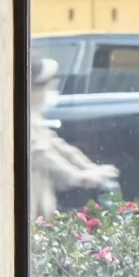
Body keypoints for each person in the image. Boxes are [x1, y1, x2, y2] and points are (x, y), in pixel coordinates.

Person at [28, 58, 120, 217]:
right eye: (51, 85)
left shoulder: (34, 116)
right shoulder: (25, 119)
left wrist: (89, 168)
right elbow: (41, 153)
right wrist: (76, 177)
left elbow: (59, 147)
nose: (54, 90)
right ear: (35, 88)